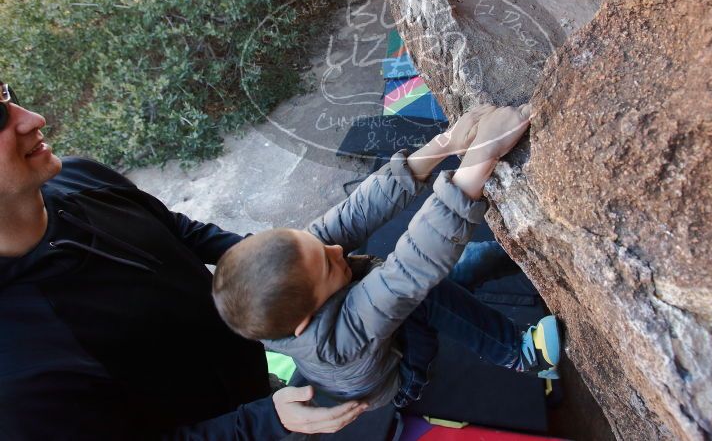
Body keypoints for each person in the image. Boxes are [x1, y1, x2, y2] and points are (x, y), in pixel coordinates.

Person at [0, 81, 367, 440]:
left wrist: (289, 266)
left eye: (5, 94)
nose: (34, 118)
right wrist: (267, 421)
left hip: (263, 391)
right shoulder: (13, 370)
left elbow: (178, 230)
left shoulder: (79, 177)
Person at [212, 105, 562, 409]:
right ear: (306, 320)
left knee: (462, 264)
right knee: (423, 293)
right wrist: (481, 156)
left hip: (376, 320)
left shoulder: (303, 270)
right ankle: (519, 353)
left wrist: (447, 143)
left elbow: (355, 213)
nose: (335, 250)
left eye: (313, 242)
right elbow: (408, 271)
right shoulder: (336, 342)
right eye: (329, 263)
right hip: (401, 373)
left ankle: (523, 255)